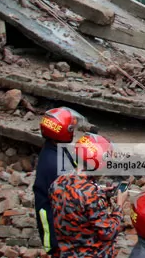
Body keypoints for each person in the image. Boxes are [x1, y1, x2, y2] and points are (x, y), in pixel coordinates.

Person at [50, 133, 127, 257]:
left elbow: (77, 203)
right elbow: (108, 232)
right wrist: (119, 206)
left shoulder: (59, 182)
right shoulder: (91, 194)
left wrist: (101, 193)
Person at [34, 107, 84, 258]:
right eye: (71, 128)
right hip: (58, 231)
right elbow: (73, 198)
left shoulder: (53, 150)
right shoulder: (54, 164)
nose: (73, 132)